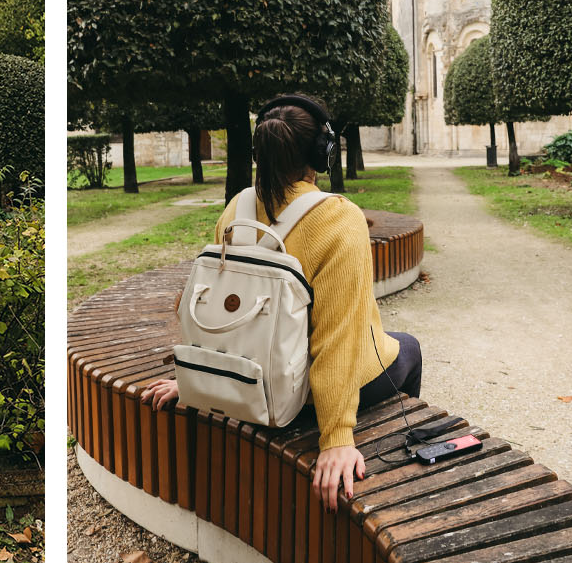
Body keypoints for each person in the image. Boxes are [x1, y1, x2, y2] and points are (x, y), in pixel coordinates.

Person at [141, 94, 422, 513]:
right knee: (409, 347)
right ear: (320, 154)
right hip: (300, 400)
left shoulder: (237, 207)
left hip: (246, 381)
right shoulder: (339, 219)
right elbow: (337, 340)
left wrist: (196, 382)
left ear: (259, 153)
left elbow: (221, 310)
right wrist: (338, 440)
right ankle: (406, 456)